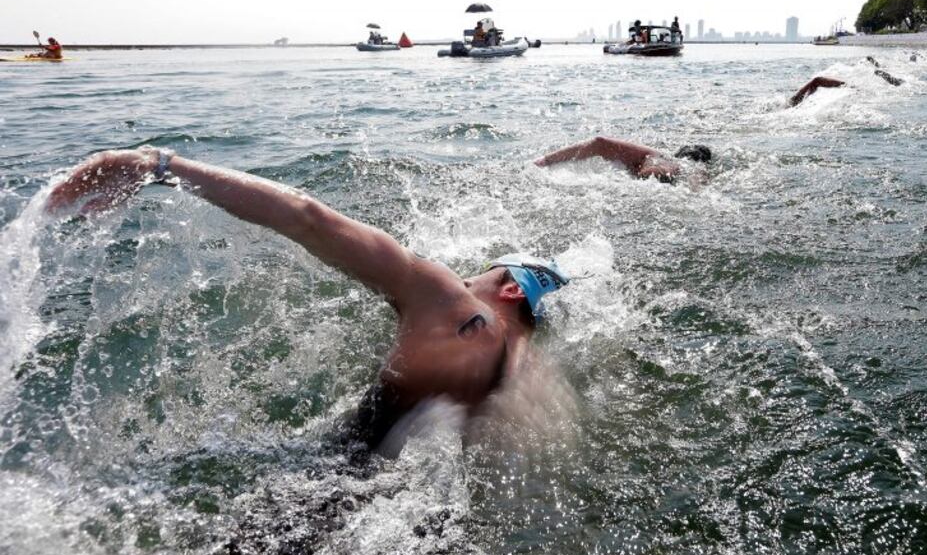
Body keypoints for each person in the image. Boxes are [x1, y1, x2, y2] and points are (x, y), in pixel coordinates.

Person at [44, 147, 570, 454]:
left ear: (508, 289)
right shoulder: (529, 372)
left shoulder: (448, 299)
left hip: (329, 486)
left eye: (482, 273)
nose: (467, 277)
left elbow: (308, 218)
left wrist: (158, 164)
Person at [535, 136, 711, 184]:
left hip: (643, 180)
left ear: (678, 153)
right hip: (668, 183)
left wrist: (546, 160)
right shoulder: (695, 169)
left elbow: (599, 142)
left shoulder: (656, 155)